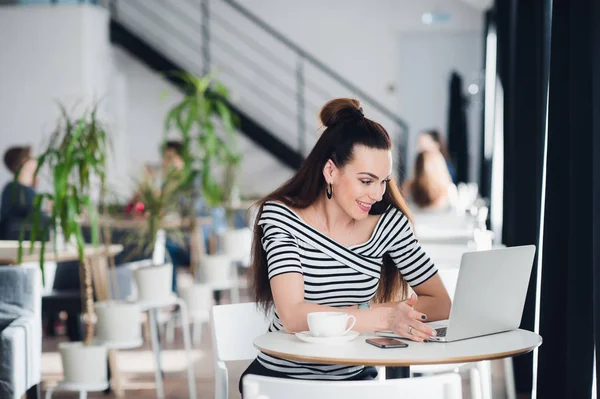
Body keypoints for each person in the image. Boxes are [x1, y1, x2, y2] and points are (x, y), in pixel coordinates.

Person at [240, 98, 451, 391]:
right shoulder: (282, 216)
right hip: (283, 384)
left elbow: (440, 302)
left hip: (355, 383)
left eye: (383, 181)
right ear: (331, 171)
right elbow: (293, 315)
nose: (377, 194)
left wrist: (367, 312)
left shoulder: (388, 224)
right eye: (366, 181)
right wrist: (381, 316)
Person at [0, 146, 49, 240]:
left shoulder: (25, 190)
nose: (36, 162)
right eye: (32, 158)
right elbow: (32, 214)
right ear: (24, 162)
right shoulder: (14, 189)